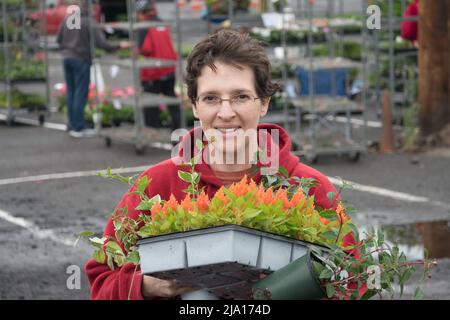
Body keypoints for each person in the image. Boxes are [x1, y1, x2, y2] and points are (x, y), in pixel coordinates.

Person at [85, 29, 340, 300]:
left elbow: (351, 281)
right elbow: (102, 280)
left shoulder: (309, 188)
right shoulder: (157, 185)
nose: (226, 113)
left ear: (263, 103)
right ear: (194, 106)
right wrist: (149, 286)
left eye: (241, 97)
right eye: (211, 98)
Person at [56, 0, 129, 138]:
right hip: (81, 58)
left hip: (67, 58)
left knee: (71, 92)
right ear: (91, 6)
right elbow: (103, 44)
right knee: (80, 93)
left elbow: (58, 39)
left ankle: (71, 124)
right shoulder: (89, 21)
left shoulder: (69, 18)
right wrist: (120, 45)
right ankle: (78, 127)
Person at [135, 0, 181, 130]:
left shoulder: (144, 26)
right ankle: (178, 128)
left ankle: (152, 131)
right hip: (169, 68)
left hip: (153, 71)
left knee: (150, 102)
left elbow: (145, 49)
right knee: (171, 99)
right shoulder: (162, 22)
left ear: (142, 13)